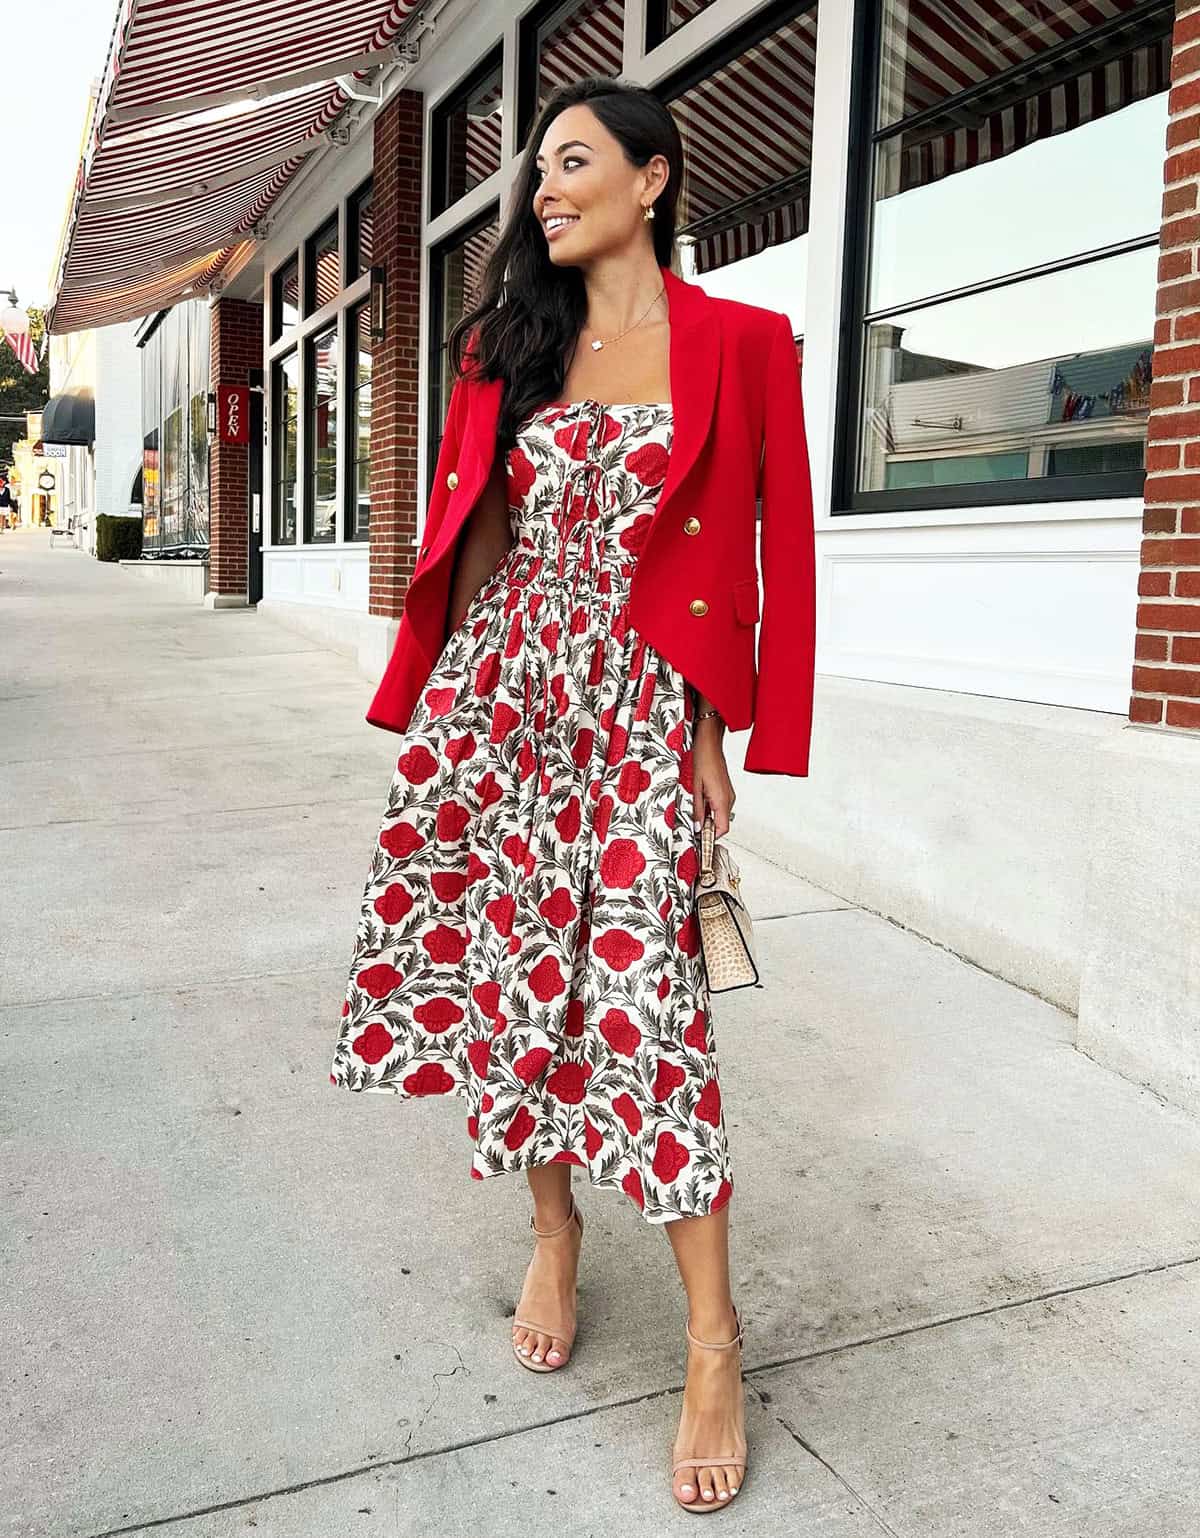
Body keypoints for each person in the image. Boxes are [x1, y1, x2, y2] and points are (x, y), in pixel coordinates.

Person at [329, 75, 815, 1513]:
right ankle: (554, 1233)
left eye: (575, 161)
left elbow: (777, 546)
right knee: (512, 978)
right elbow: (477, 534)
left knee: (648, 1013)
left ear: (653, 179)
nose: (544, 189)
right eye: (538, 170)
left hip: (644, 704)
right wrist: (446, 722)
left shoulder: (744, 344)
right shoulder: (509, 343)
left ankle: (714, 1339)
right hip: (511, 698)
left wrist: (724, 730)